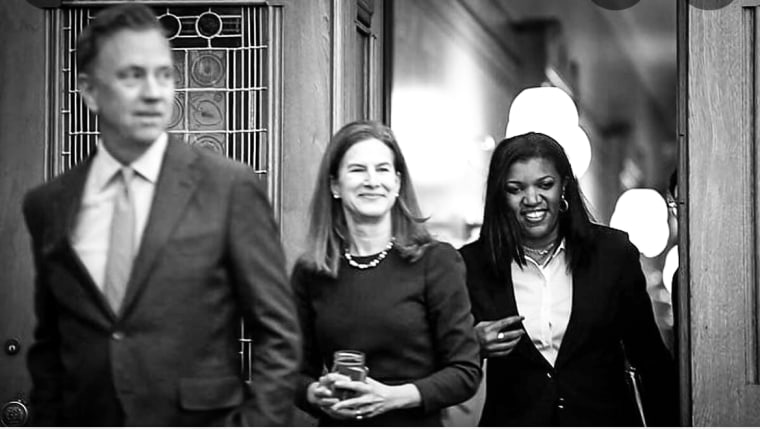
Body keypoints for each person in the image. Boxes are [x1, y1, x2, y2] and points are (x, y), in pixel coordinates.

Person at [21, 4, 300, 426]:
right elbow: (51, 346)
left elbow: (277, 334)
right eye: (133, 75)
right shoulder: (49, 204)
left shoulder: (229, 188)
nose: (154, 92)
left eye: (165, 74)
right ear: (89, 90)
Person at [459, 132, 678, 426]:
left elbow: (649, 358)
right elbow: (443, 362)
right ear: (501, 194)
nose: (532, 199)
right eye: (515, 189)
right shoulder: (472, 264)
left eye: (545, 185)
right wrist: (471, 344)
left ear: (564, 186)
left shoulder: (613, 255)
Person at [291, 120, 482, 426]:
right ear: (335, 185)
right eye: (357, 170)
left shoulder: (436, 262)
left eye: (382, 170)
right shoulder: (312, 270)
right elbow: (292, 373)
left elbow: (465, 371)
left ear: (396, 183)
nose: (371, 181)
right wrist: (315, 393)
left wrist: (393, 397)